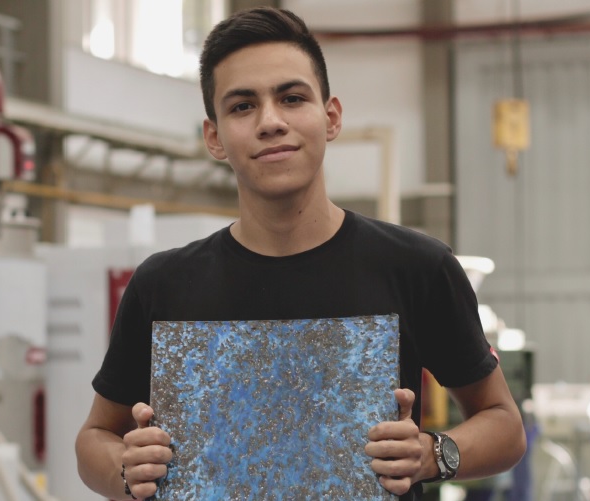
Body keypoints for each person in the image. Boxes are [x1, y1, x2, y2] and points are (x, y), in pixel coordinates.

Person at [75, 7, 526, 500]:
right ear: (214, 137)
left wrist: (432, 454)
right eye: (242, 106)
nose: (271, 122)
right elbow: (94, 438)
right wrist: (125, 469)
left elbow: (504, 425)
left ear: (330, 117)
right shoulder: (163, 285)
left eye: (292, 98)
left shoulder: (416, 268)